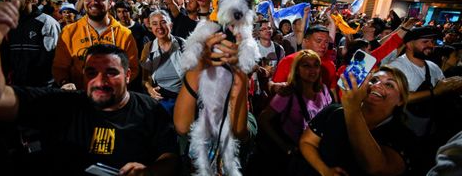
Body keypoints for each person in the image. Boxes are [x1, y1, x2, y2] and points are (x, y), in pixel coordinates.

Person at [0, 2, 178, 175]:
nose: (100, 81)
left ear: (127, 76)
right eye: (91, 73)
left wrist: (149, 172)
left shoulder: (150, 110)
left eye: (111, 72)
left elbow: (171, 158)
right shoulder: (64, 104)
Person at [299, 66, 414, 176]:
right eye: (374, 80)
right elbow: (307, 142)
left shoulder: (405, 136)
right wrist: (325, 170)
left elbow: (376, 167)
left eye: (389, 84)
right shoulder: (335, 112)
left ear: (401, 100)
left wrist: (353, 109)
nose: (377, 85)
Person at [173, 32, 255, 175]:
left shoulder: (248, 118)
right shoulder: (194, 111)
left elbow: (239, 130)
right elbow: (182, 127)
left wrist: (240, 70)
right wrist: (197, 66)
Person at [388, 26, 462, 173]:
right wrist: (435, 92)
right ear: (409, 44)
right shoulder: (397, 67)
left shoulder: (433, 67)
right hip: (402, 136)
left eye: (432, 41)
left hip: (427, 135)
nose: (431, 45)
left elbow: (444, 90)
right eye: (425, 41)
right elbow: (396, 98)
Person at [52, 0, 139, 90]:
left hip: (112, 99)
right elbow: (60, 67)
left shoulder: (124, 34)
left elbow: (132, 68)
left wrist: (115, 84)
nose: (94, 2)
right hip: (79, 98)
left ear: (110, 3)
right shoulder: (69, 32)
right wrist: (65, 82)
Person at [257, 50, 332, 175]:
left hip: (319, 152)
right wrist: (284, 146)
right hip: (296, 155)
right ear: (297, 69)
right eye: (306, 65)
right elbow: (263, 119)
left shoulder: (323, 90)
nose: (312, 70)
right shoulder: (288, 93)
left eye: (316, 65)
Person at [2, 0, 61, 88]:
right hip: (16, 88)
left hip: (41, 89)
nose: (6, 0)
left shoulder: (47, 22)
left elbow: (51, 59)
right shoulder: (7, 24)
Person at [140, 10, 185, 115]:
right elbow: (144, 79)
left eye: (163, 22)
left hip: (185, 98)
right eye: (154, 24)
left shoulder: (183, 44)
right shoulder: (148, 49)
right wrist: (150, 88)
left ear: (171, 25)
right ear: (151, 28)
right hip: (163, 101)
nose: (159, 27)